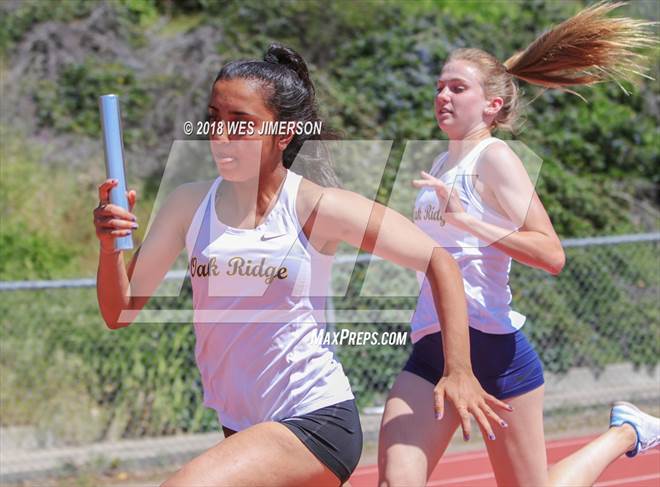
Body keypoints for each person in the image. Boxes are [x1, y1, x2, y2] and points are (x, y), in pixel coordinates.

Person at [93, 44, 511, 487]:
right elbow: (120, 311)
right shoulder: (188, 204)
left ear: (284, 133)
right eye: (215, 118)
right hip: (241, 426)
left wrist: (458, 370)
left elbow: (439, 261)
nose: (222, 135)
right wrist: (108, 249)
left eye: (241, 123)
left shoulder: (315, 206)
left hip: (314, 420)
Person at [378, 3, 660, 486]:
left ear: (492, 105)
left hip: (495, 352)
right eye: (440, 86)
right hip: (433, 349)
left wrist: (469, 221)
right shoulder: (440, 165)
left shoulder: (495, 158)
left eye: (457, 88)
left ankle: (628, 433)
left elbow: (551, 254)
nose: (443, 95)